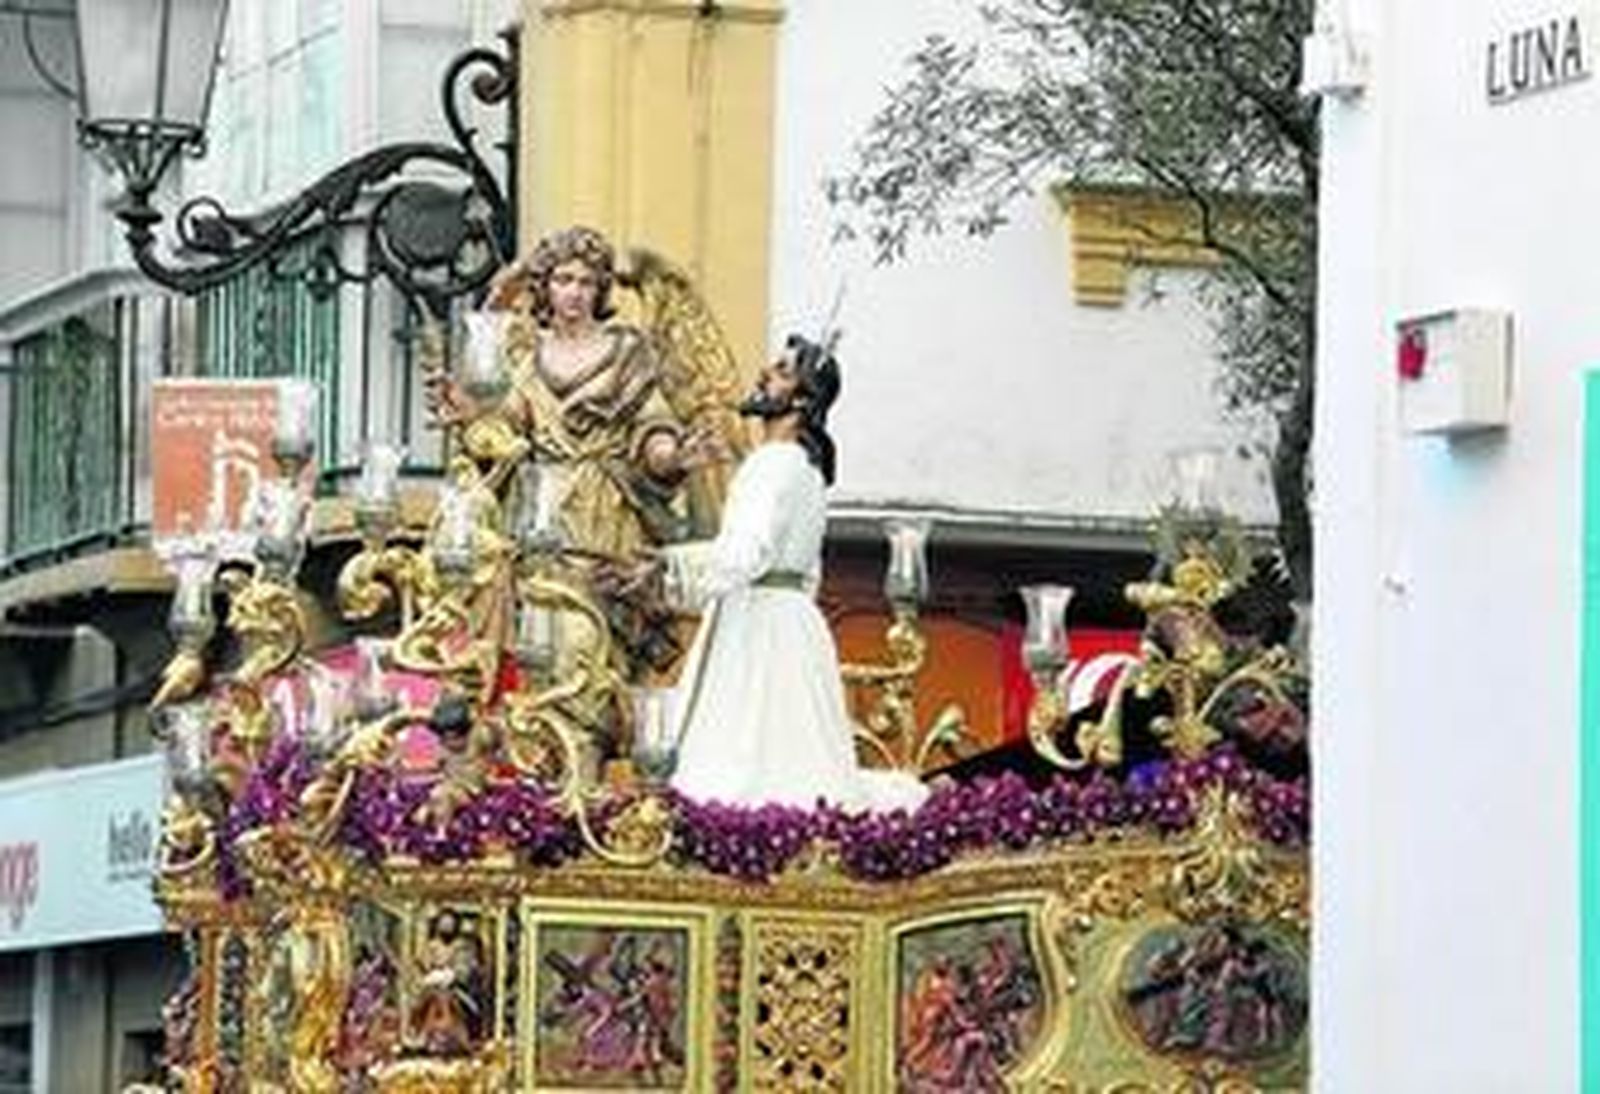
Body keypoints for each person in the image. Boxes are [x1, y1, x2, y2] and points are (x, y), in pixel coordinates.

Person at [668, 334, 928, 813]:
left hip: (758, 625)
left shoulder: (771, 463)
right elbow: (808, 572)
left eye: (782, 371)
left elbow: (745, 555)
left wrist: (664, 569)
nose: (764, 373)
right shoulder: (807, 471)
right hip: (795, 623)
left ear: (803, 399)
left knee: (743, 762)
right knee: (792, 756)